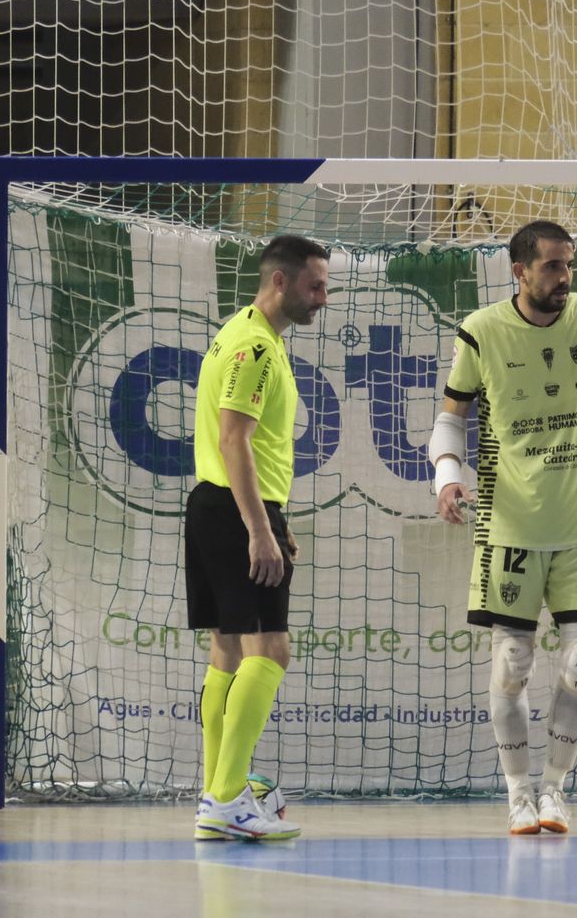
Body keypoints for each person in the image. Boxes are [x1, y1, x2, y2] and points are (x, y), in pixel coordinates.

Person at [429, 220, 577, 836]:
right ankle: (517, 793)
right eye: (553, 267)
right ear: (520, 272)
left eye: (570, 266)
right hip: (508, 526)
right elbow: (450, 421)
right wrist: (446, 479)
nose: (565, 278)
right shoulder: (483, 331)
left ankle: (555, 792)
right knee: (512, 661)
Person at [186, 234, 330, 841]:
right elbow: (233, 441)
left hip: (219, 507)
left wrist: (276, 519)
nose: (323, 297)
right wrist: (258, 529)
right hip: (233, 514)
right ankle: (225, 798)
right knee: (270, 651)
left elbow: (255, 448)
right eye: (314, 285)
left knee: (227, 651)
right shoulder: (256, 349)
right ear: (280, 281)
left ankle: (220, 792)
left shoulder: (245, 332)